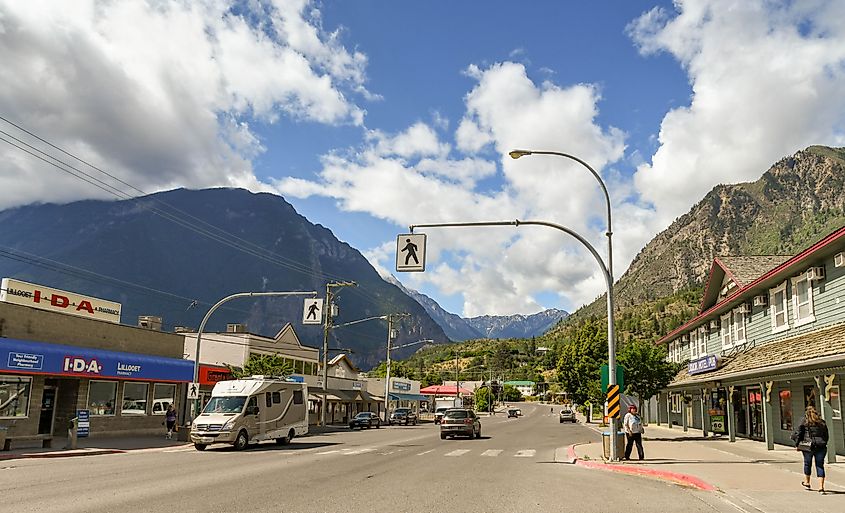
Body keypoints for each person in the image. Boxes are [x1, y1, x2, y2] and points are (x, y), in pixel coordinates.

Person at [794, 405, 829, 494]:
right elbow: (826, 435)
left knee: (807, 463)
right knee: (820, 465)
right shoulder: (822, 422)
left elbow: (798, 433)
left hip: (808, 446)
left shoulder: (804, 422)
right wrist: (824, 442)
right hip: (821, 446)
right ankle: (821, 487)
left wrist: (797, 444)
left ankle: (807, 482)